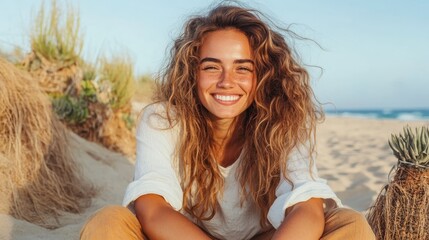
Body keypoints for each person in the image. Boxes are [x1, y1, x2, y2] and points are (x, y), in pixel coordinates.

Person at [80, 3, 375, 240]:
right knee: (108, 223)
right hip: (180, 235)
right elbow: (153, 210)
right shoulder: (162, 120)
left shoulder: (286, 119)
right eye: (212, 67)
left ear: (262, 76)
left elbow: (307, 206)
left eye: (242, 69)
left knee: (350, 225)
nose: (226, 82)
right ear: (191, 72)